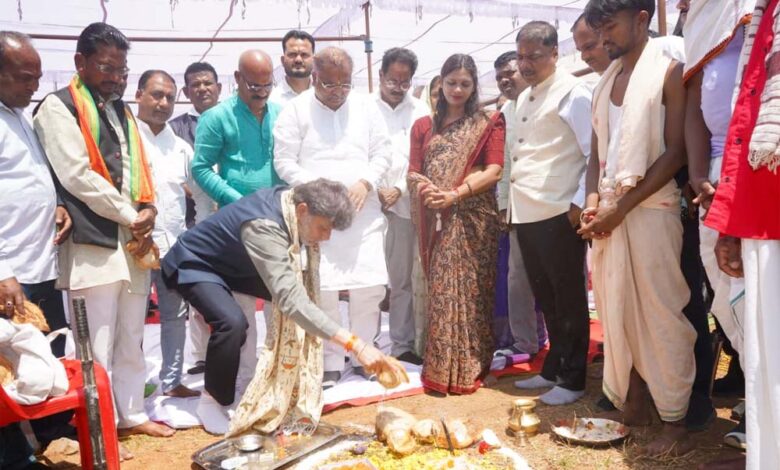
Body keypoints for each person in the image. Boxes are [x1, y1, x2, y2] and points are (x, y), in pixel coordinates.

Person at [161, 179, 406, 434]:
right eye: (323, 228)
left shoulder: (293, 202)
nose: (326, 238)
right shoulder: (264, 227)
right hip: (195, 262)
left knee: (302, 306)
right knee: (232, 323)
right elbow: (291, 300)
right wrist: (356, 344)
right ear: (302, 210)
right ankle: (211, 401)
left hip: (234, 265)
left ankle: (284, 385)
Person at [33, 22, 174, 439]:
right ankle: (99, 428)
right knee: (94, 344)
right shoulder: (59, 107)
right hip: (92, 244)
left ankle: (131, 414)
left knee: (132, 335)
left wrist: (149, 208)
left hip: (132, 242)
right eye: (106, 67)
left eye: (121, 70)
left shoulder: (121, 110)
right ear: (80, 62)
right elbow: (77, 176)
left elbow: (139, 169)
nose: (115, 77)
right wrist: (132, 215)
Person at [580, 0, 693, 455]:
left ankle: (675, 424)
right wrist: (593, 203)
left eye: (610, 26)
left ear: (642, 19)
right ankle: (636, 403)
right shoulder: (604, 83)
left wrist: (621, 208)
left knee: (660, 315)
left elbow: (676, 153)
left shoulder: (669, 73)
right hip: (610, 213)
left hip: (651, 211)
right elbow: (596, 156)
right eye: (598, 28)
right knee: (616, 311)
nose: (603, 37)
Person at [274, 47, 391, 389]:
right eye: (329, 84)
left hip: (363, 212)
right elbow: (284, 161)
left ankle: (365, 355)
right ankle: (330, 360)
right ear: (314, 79)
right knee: (322, 288)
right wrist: (318, 191)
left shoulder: (367, 107)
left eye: (345, 84)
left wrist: (366, 181)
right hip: (318, 214)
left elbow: (383, 152)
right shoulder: (295, 110)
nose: (338, 91)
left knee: (369, 286)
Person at [704, 1, 780, 467]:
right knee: (768, 362)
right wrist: (731, 223)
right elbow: (748, 114)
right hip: (762, 206)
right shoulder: (763, 14)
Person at [407, 53, 505, 395]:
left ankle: (472, 365)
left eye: (465, 83)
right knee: (443, 291)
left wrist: (455, 194)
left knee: (475, 292)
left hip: (474, 219)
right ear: (441, 83)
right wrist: (430, 192)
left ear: (475, 86)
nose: (458, 90)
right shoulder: (423, 127)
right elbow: (413, 172)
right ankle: (441, 368)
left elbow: (494, 170)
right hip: (438, 217)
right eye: (451, 83)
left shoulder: (488, 123)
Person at [0, 31, 73, 470]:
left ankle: (55, 436)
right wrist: (1, 269)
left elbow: (30, 178)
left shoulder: (19, 116)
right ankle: (13, 457)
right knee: (8, 369)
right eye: (25, 77)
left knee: (47, 357)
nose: (34, 86)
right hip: (9, 273)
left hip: (40, 264)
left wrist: (57, 204)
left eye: (37, 77)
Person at [508, 21, 592, 406]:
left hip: (560, 210)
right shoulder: (525, 97)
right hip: (526, 211)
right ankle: (554, 368)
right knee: (546, 297)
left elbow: (593, 152)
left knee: (568, 297)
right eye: (521, 57)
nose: (525, 64)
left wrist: (580, 202)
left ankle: (573, 379)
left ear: (555, 54)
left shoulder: (574, 92)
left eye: (534, 56)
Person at [683, 0, 754, 445]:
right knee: (729, 300)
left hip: (759, 170)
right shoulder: (700, 20)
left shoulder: (753, 10)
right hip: (712, 179)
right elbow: (695, 105)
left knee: (760, 299)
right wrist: (697, 176)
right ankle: (760, 405)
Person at [190, 49, 282, 392]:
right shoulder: (217, 117)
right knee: (242, 307)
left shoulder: (281, 114)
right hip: (237, 226)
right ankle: (246, 382)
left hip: (278, 223)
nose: (261, 92)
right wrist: (238, 203)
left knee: (279, 303)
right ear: (238, 79)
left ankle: (278, 376)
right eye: (254, 86)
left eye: (267, 85)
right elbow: (201, 168)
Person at [135, 69, 200, 399]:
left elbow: (198, 190)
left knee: (175, 315)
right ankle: (132, 385)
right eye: (156, 95)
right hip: (134, 246)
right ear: (139, 95)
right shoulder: (127, 140)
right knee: (131, 320)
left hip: (173, 245)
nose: (163, 103)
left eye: (170, 98)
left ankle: (172, 380)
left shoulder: (180, 147)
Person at [373, 48, 429, 366]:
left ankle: (402, 344)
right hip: (368, 205)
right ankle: (362, 347)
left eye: (404, 82)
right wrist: (375, 189)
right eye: (392, 80)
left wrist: (399, 189)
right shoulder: (362, 108)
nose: (398, 87)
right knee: (366, 282)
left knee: (401, 279)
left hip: (405, 205)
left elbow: (423, 159)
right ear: (380, 75)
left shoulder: (420, 110)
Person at [168, 60, 222, 376]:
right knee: (199, 291)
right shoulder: (176, 128)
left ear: (218, 87)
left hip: (230, 218)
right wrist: (195, 189)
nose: (202, 89)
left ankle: (233, 349)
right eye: (195, 85)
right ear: (186, 92)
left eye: (207, 83)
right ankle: (202, 355)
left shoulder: (232, 118)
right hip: (195, 223)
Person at [493, 50, 545, 358]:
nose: (504, 80)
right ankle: (524, 342)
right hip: (516, 207)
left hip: (551, 205)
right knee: (517, 277)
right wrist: (503, 206)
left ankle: (561, 342)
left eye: (509, 73)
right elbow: (504, 163)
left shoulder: (547, 101)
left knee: (555, 277)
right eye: (499, 76)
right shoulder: (504, 112)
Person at [269, 30, 315, 107]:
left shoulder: (324, 98)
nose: (298, 60)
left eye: (304, 54)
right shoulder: (272, 100)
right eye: (292, 54)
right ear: (283, 60)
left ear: (314, 60)